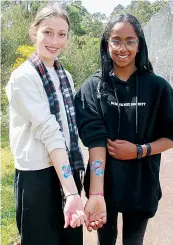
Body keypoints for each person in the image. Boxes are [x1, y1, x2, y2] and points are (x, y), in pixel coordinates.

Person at [75, 14, 173, 245]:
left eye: (130, 41)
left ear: (139, 45)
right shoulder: (93, 87)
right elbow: (95, 140)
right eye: (116, 40)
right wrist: (97, 194)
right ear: (106, 43)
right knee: (105, 241)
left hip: (142, 184)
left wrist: (140, 150)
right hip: (105, 185)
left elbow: (170, 136)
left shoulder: (158, 87)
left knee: (134, 241)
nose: (123, 48)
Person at [5, 5, 86, 245]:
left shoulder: (65, 76)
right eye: (48, 32)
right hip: (37, 178)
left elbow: (71, 130)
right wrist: (71, 192)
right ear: (34, 32)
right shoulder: (23, 78)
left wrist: (73, 187)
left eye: (62, 34)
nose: (55, 41)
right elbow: (51, 132)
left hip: (66, 171)